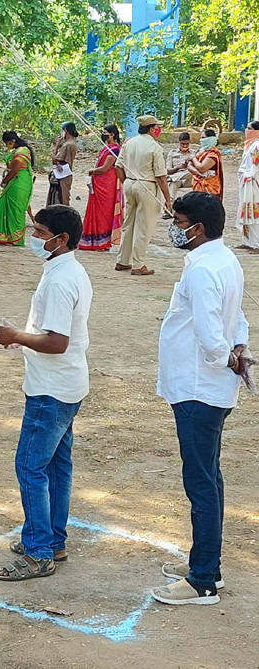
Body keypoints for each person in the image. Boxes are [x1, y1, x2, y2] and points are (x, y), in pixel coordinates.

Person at [152, 192, 251, 606]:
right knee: (209, 476)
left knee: (201, 483)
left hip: (198, 388)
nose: (174, 228)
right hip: (204, 388)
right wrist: (240, 347)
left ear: (199, 228)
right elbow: (237, 317)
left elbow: (212, 336)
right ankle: (208, 565)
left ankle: (203, 580)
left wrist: (227, 356)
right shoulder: (222, 260)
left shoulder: (204, 269)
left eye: (179, 221)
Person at [0, 206, 92, 581]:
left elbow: (57, 341)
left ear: (60, 239)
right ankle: (53, 539)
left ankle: (38, 552)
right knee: (55, 466)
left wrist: (16, 335)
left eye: (40, 231)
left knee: (31, 466)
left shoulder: (60, 280)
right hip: (65, 385)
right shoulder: (68, 271)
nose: (34, 237)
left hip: (52, 390)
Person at [115, 115, 173, 276]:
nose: (157, 130)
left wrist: (126, 181)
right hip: (147, 184)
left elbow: (118, 166)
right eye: (156, 127)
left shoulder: (129, 143)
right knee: (144, 226)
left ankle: (123, 260)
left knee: (129, 223)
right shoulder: (154, 147)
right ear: (151, 128)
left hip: (130, 183)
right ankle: (138, 264)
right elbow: (161, 176)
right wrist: (167, 199)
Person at [79, 124, 123, 251]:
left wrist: (92, 171)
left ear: (112, 134)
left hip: (106, 185)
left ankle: (102, 241)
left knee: (104, 213)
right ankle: (93, 240)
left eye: (105, 132)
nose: (103, 134)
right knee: (96, 211)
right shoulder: (107, 148)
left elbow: (105, 168)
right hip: (99, 184)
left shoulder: (114, 149)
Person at [0, 130, 35, 246]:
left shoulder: (21, 153)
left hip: (17, 184)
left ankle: (16, 237)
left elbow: (14, 171)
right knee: (7, 207)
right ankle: (6, 235)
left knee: (16, 210)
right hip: (16, 182)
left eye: (6, 142)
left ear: (12, 141)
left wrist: (4, 181)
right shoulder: (20, 150)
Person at [237, 120, 259, 251]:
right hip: (246, 181)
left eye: (249, 129)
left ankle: (256, 243)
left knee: (254, 212)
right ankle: (247, 241)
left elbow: (256, 167)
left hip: (253, 183)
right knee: (246, 211)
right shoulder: (250, 145)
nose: (246, 131)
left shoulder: (257, 145)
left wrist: (249, 176)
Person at [47, 122, 80, 207]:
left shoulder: (68, 145)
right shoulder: (71, 143)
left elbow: (55, 160)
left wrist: (56, 146)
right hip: (65, 175)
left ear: (65, 131)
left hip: (62, 176)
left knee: (60, 199)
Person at [189, 127, 224, 199]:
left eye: (203, 138)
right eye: (201, 138)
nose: (201, 140)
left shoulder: (213, 154)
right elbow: (189, 165)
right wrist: (198, 173)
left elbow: (202, 168)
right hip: (198, 184)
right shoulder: (201, 151)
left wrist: (193, 158)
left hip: (209, 187)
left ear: (210, 139)